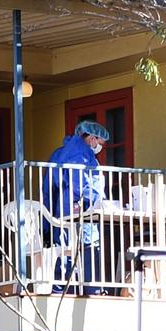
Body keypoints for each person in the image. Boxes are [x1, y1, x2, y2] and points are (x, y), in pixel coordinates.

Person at [41, 120, 109, 295]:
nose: (100, 147)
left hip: (60, 212)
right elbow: (80, 181)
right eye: (100, 143)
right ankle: (92, 290)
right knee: (89, 249)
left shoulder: (60, 153)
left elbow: (48, 188)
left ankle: (60, 290)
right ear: (92, 139)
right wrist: (87, 202)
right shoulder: (82, 154)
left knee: (64, 250)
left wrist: (46, 223)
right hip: (81, 211)